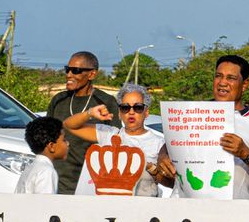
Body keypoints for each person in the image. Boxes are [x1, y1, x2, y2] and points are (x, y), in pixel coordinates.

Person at [155, 55, 249, 199]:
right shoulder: (192, 113)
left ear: (244, 85)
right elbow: (171, 144)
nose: (223, 83)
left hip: (228, 214)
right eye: (218, 76)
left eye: (231, 78)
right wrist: (163, 156)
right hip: (184, 211)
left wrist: (245, 153)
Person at [64, 83, 165, 196]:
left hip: (143, 208)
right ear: (119, 113)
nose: (131, 112)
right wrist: (90, 113)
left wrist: (153, 170)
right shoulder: (108, 134)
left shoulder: (160, 143)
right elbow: (69, 125)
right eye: (125, 108)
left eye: (138, 107)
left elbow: (170, 182)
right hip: (110, 208)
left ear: (146, 112)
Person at [45, 51, 120, 194]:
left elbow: (115, 143)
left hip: (89, 183)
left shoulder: (106, 102)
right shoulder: (58, 100)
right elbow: (47, 141)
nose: (69, 75)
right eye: (68, 69)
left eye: (76, 71)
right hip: (57, 181)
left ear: (92, 74)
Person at [15, 116, 67, 194]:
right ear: (51, 146)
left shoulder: (31, 168)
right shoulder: (47, 171)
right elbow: (45, 204)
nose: (68, 144)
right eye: (64, 140)